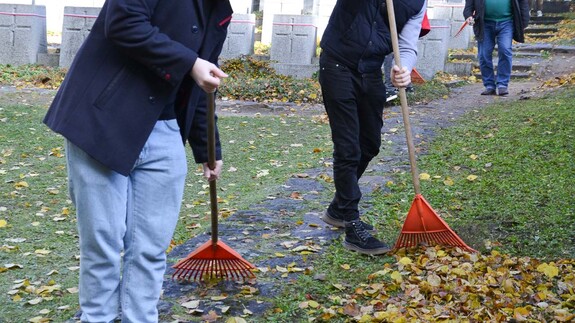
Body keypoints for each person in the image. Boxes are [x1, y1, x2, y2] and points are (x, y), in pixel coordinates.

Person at [43, 0, 232, 321]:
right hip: (102, 122)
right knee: (102, 247)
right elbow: (122, 21)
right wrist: (190, 62)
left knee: (150, 249)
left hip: (166, 131)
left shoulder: (219, 10)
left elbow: (203, 80)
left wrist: (208, 149)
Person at [318, 0, 427, 255]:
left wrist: (405, 69)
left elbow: (408, 44)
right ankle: (352, 225)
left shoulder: (417, 3)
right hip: (337, 65)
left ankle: (338, 209)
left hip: (370, 71)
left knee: (370, 144)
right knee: (348, 148)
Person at [464, 0, 530, 96]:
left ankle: (502, 85)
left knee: (505, 49)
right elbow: (469, 5)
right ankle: (489, 86)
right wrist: (468, 15)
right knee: (483, 54)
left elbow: (522, 3)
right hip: (484, 23)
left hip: (507, 22)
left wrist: (523, 22)